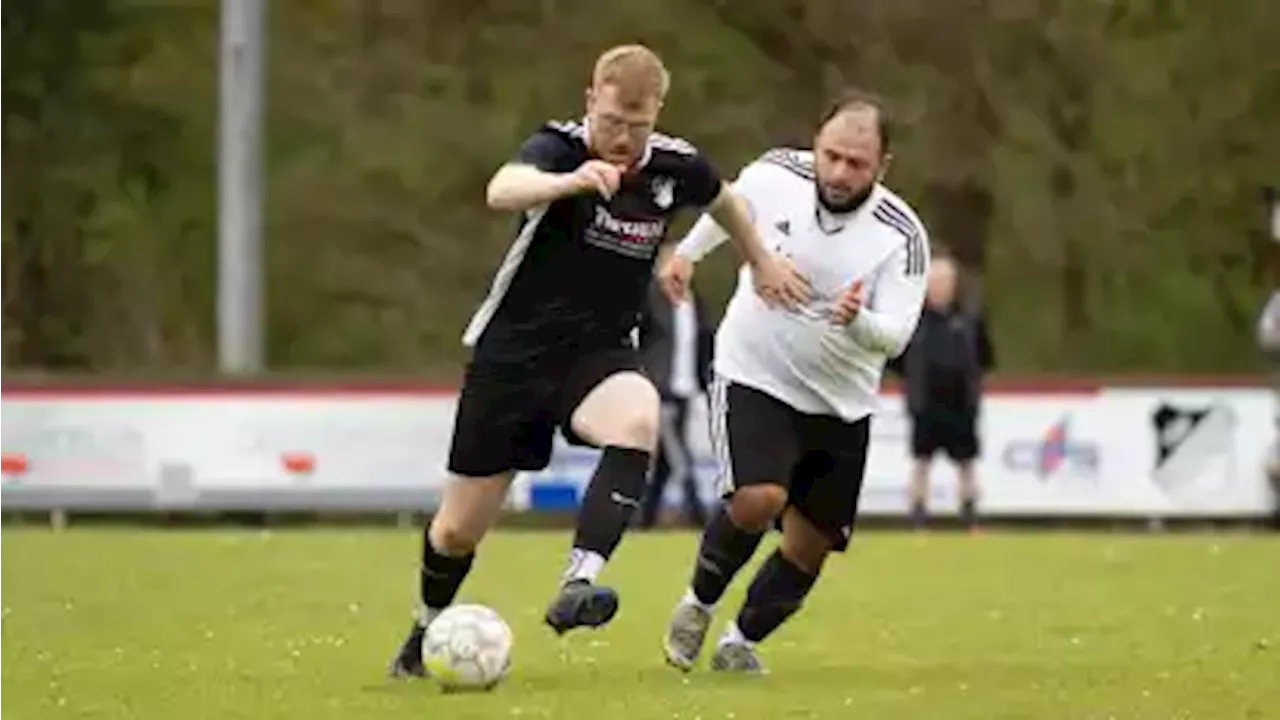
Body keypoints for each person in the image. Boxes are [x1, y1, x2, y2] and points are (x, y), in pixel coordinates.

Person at [387, 44, 810, 678]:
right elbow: (502, 189)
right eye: (611, 121)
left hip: (599, 354)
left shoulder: (675, 166)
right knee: (456, 533)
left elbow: (726, 199)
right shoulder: (560, 147)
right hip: (514, 357)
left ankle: (579, 581)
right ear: (592, 102)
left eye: (636, 127)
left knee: (638, 421)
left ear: (656, 114)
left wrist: (761, 259)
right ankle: (422, 632)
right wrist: (569, 182)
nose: (620, 138)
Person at [657, 88, 930, 673]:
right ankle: (697, 603)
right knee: (759, 498)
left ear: (882, 166)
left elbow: (898, 334)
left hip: (840, 402)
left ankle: (740, 641)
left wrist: (859, 322)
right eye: (831, 154)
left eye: (856, 163)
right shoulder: (774, 173)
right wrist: (688, 255)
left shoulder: (901, 235)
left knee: (810, 545)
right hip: (754, 371)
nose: (838, 171)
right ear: (816, 142)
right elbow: (728, 207)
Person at [892, 255, 994, 531]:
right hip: (925, 404)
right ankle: (918, 515)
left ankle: (970, 514)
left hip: (962, 403)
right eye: (936, 281)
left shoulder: (970, 318)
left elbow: (985, 357)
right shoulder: (913, 320)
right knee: (921, 462)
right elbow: (896, 359)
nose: (941, 287)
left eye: (946, 281)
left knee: (966, 463)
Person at [637, 242, 715, 529]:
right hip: (660, 389)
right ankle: (699, 516)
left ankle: (643, 519)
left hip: (685, 390)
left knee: (667, 460)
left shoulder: (696, 303)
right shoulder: (651, 300)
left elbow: (704, 345)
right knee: (680, 455)